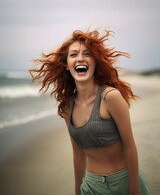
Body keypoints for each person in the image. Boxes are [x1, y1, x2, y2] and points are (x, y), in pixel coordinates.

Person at [30, 29, 151, 195]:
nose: (80, 58)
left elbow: (130, 146)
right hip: (91, 186)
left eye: (87, 54)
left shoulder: (111, 97)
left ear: (95, 62)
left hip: (123, 182)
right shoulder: (67, 107)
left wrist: (134, 191)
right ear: (66, 65)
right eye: (73, 55)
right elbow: (78, 154)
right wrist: (77, 192)